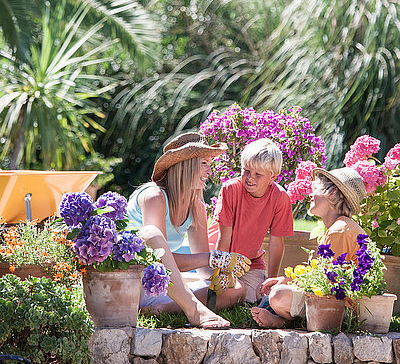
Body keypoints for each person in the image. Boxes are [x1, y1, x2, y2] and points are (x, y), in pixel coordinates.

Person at [126, 131, 248, 329]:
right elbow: (158, 260)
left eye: (210, 164)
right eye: (204, 164)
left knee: (236, 290)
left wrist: (223, 272)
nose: (210, 171)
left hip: (165, 288)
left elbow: (203, 270)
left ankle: (165, 309)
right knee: (151, 234)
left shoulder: (196, 206)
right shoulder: (154, 196)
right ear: (185, 165)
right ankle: (193, 310)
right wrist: (213, 257)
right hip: (134, 282)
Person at [251, 166, 367, 328]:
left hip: (340, 311)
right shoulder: (341, 227)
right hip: (337, 304)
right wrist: (285, 279)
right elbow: (323, 275)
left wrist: (286, 285)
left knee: (278, 296)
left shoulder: (339, 231)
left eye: (315, 189)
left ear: (332, 193)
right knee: (277, 293)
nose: (310, 195)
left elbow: (326, 282)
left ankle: (283, 321)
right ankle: (282, 318)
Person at [209, 138, 294, 304]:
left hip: (249, 261)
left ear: (273, 176)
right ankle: (210, 296)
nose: (249, 177)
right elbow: (224, 237)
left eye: (258, 174)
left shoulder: (280, 198)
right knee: (233, 291)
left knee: (259, 296)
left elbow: (276, 243)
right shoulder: (231, 189)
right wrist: (221, 273)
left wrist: (270, 280)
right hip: (217, 255)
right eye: (246, 170)